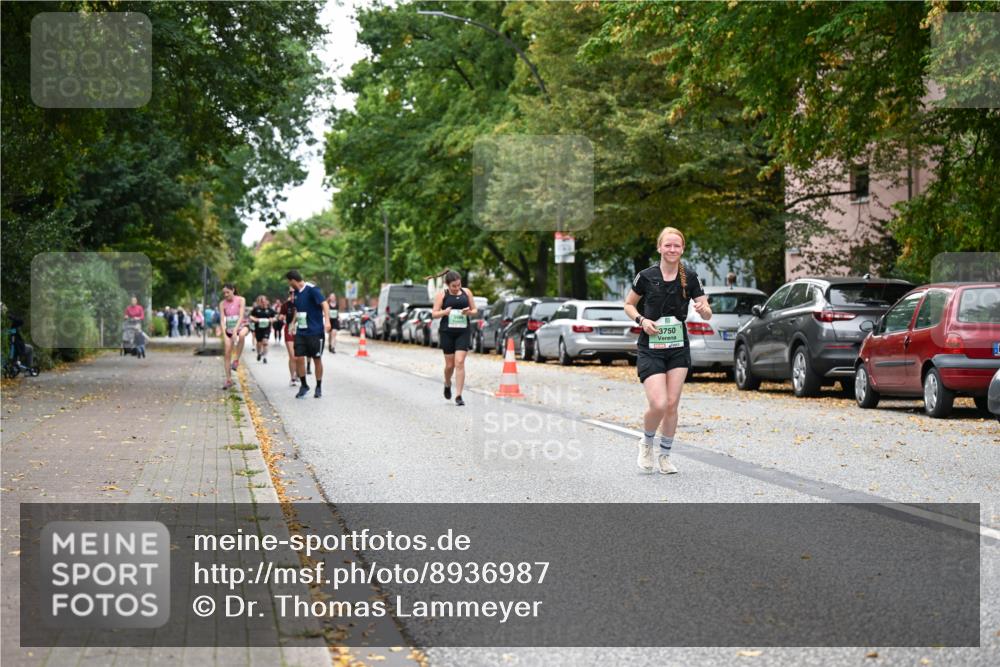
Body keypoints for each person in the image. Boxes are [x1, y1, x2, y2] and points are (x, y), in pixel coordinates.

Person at [624, 227, 711, 475]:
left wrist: (703, 309)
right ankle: (647, 441)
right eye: (668, 245)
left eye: (677, 246)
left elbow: (706, 310)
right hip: (650, 347)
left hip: (677, 347)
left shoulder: (690, 277)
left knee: (672, 404)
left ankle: (665, 455)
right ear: (659, 248)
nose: (672, 250)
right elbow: (628, 304)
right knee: (659, 403)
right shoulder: (646, 276)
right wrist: (641, 320)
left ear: (682, 249)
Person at [429, 269, 477, 406]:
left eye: (458, 285)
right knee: (450, 365)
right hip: (447, 332)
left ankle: (459, 395)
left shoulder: (466, 292)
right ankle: (447, 383)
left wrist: (468, 312)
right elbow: (434, 314)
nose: (456, 288)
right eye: (453, 286)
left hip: (463, 331)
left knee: (460, 362)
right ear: (447, 285)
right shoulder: (442, 295)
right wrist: (445, 312)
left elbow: (475, 310)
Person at [285, 270, 330, 398]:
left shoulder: (312, 289)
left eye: (289, 281)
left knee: (316, 359)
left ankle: (318, 386)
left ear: (293, 280)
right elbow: (297, 310)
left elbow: (325, 305)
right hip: (301, 331)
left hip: (315, 331)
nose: (289, 284)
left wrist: (327, 321)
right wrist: (293, 323)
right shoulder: (296, 294)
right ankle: (304, 385)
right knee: (298, 357)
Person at [218, 284, 249, 390]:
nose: (226, 295)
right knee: (227, 354)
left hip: (242, 326)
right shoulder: (222, 304)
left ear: (233, 290)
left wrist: (236, 330)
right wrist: (225, 335)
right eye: (224, 293)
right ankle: (228, 380)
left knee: (241, 335)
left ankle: (236, 360)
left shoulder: (241, 300)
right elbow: (222, 320)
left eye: (228, 292)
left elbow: (241, 316)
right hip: (229, 329)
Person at [249, 295, 277, 363]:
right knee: (259, 343)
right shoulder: (256, 309)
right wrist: (255, 319)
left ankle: (265, 357)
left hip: (266, 328)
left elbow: (276, 317)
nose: (263, 303)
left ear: (267, 301)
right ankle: (259, 353)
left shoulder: (270, 310)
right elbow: (250, 316)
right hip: (258, 328)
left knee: (265, 342)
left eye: (264, 301)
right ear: (259, 303)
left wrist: (272, 319)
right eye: (261, 302)